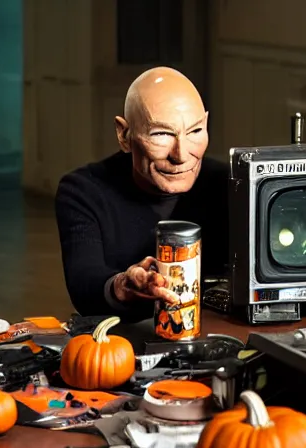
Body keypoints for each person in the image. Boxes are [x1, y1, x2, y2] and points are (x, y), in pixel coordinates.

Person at [55, 67, 230, 322]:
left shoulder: (231, 183)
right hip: (126, 346)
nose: (181, 155)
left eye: (194, 132)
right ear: (124, 135)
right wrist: (123, 286)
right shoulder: (84, 190)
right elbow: (84, 283)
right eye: (161, 134)